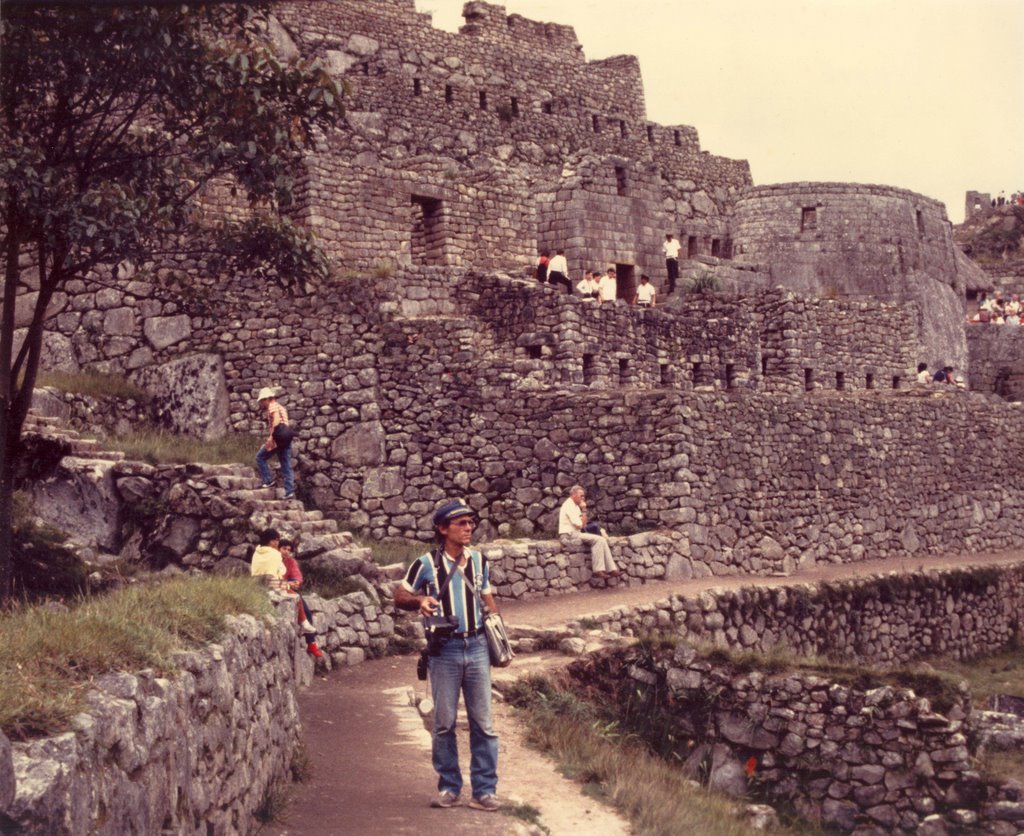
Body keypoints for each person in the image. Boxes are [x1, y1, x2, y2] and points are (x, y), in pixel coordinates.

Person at [393, 499, 502, 812]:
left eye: (470, 522)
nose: (469, 528)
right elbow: (400, 596)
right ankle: (449, 787)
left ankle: (484, 791)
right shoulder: (425, 564)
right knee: (444, 723)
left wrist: (499, 637)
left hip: (478, 645)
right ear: (442, 529)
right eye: (461, 523)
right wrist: (420, 602)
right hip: (445, 650)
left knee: (484, 723)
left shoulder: (480, 561)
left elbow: (487, 599)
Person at [558, 486, 619, 579]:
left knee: (601, 540)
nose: (583, 498)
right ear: (574, 495)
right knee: (598, 540)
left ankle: (612, 569)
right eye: (581, 496)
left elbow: (584, 524)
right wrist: (584, 510)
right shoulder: (568, 505)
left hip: (575, 533)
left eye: (583, 496)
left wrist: (583, 510)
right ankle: (598, 570)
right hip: (568, 535)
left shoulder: (575, 505)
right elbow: (581, 525)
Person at [280, 538, 324, 658]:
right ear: (278, 549)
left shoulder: (291, 561)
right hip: (276, 586)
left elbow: (297, 575)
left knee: (307, 613)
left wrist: (296, 582)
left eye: (289, 550)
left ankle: (311, 644)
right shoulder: (273, 560)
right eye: (284, 548)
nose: (286, 552)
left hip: (289, 587)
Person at [255, 386, 295, 500]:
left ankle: (268, 480)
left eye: (262, 401)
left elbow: (276, 421)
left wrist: (271, 437)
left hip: (277, 438)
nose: (262, 403)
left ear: (267, 399)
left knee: (260, 457)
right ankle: (289, 492)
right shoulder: (281, 407)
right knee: (286, 465)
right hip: (286, 438)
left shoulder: (272, 406)